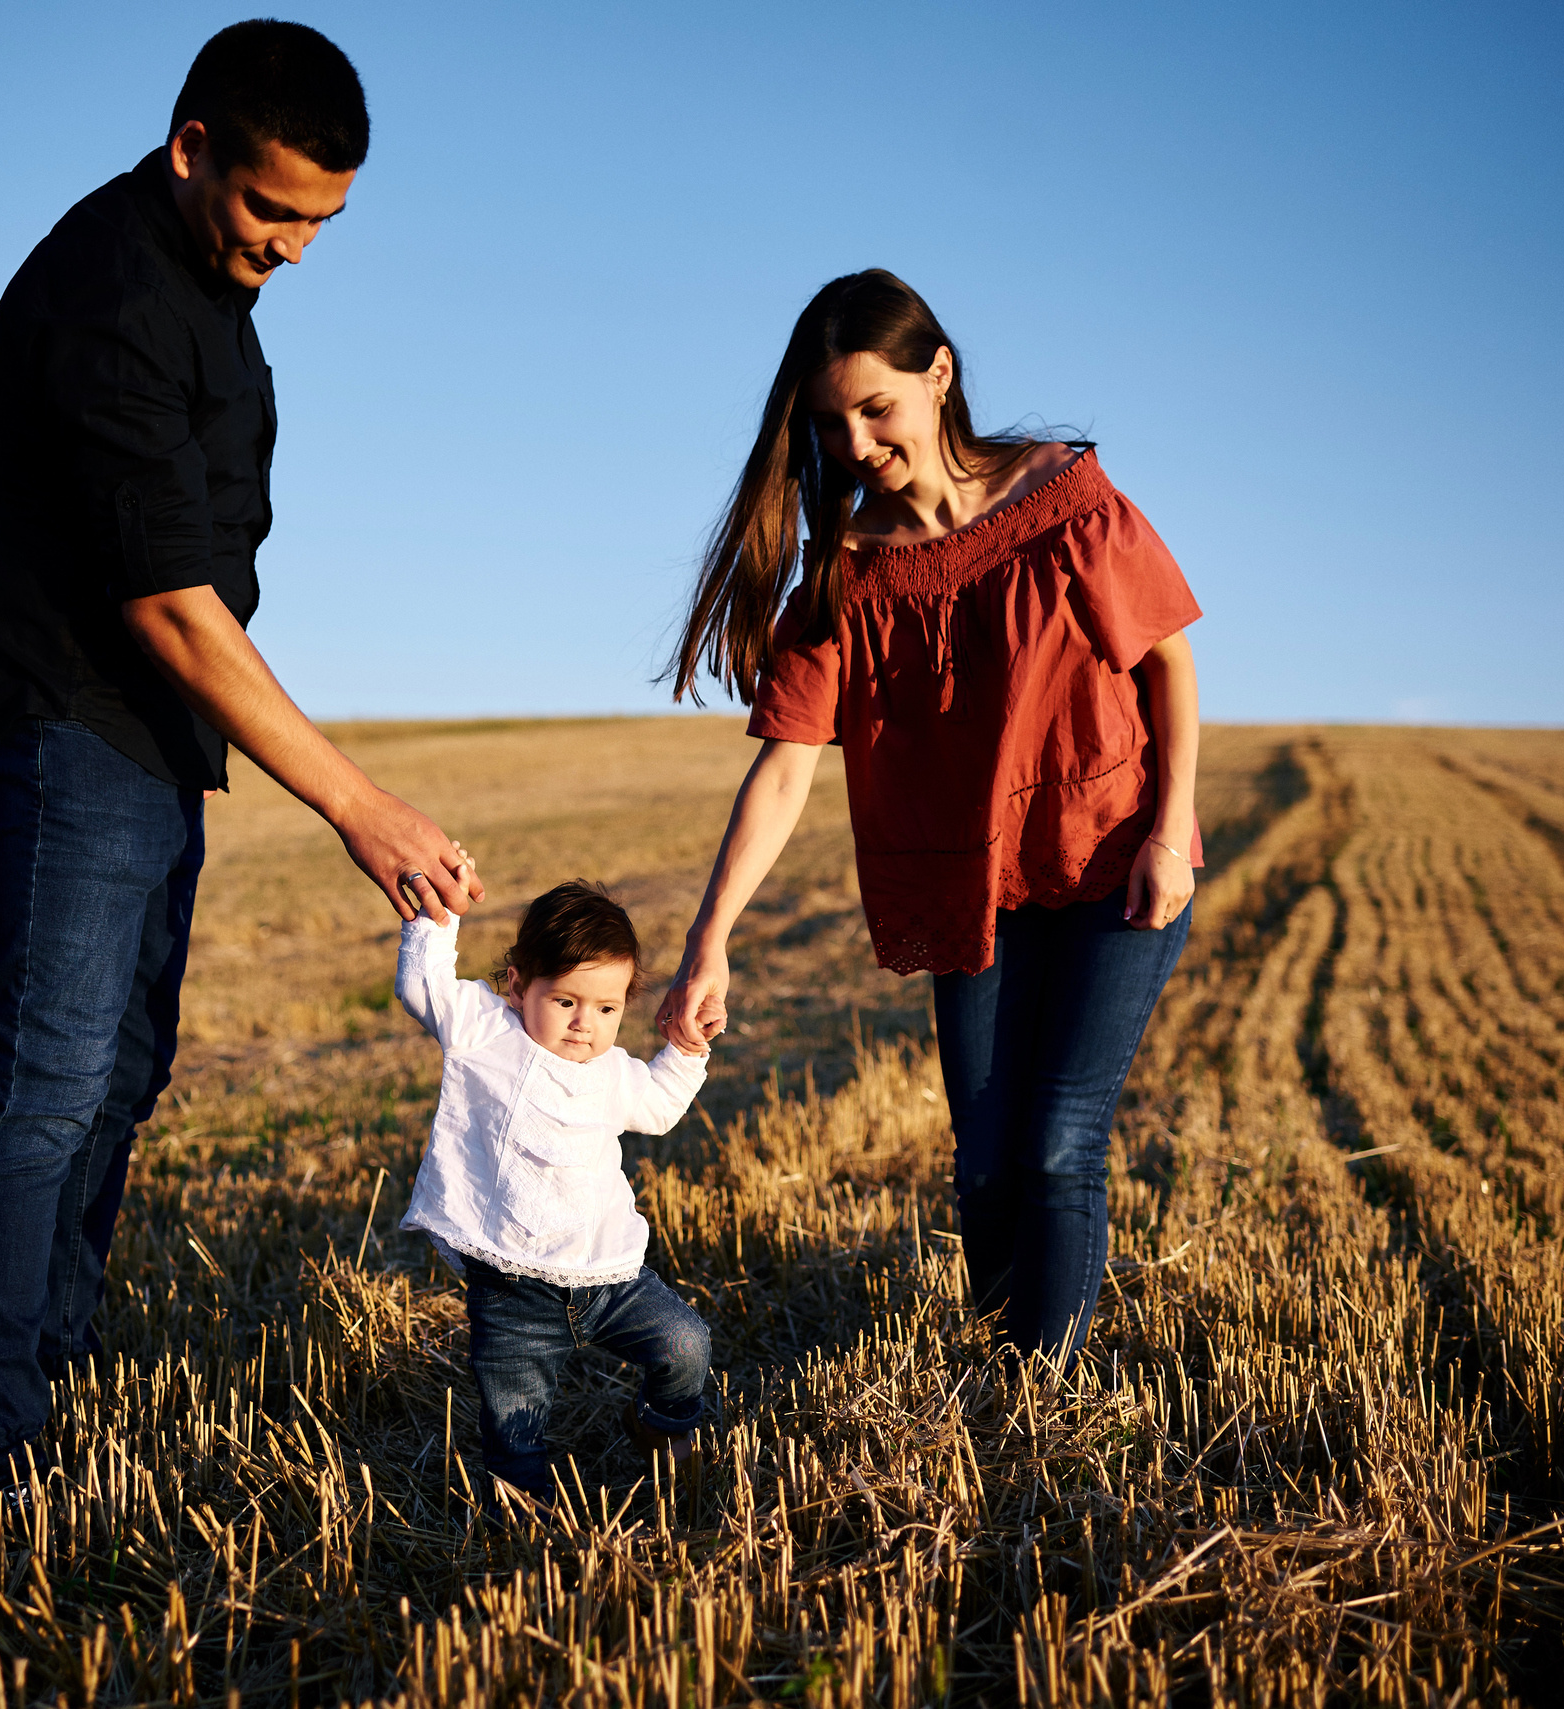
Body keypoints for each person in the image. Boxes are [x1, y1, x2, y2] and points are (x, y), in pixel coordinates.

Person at [0, 21, 483, 1489]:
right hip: (70, 722)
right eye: (275, 210)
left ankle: (49, 1356)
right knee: (47, 1084)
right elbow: (173, 606)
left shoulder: (207, 285)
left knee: (120, 1075)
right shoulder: (104, 296)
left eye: (326, 221)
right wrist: (357, 803)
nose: (300, 248)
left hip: (152, 745)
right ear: (192, 150)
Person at [655, 270, 1202, 1365]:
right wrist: (707, 941)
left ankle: (1039, 1406)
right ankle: (1004, 1374)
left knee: (1055, 1150)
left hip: (1112, 864)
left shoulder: (1065, 501)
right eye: (830, 422)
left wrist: (1173, 827)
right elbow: (781, 769)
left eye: (875, 407)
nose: (855, 442)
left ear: (937, 373)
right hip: (975, 891)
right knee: (987, 1162)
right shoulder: (846, 578)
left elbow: (1167, 659)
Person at [396, 880, 715, 1503]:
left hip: (611, 1278)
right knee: (513, 1424)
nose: (584, 1024)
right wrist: (438, 915)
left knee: (686, 1343)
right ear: (518, 986)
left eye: (606, 1009)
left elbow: (660, 1107)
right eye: (565, 1000)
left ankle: (661, 1425)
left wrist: (686, 1048)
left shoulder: (612, 1072)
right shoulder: (486, 1033)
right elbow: (422, 986)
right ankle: (522, 1517)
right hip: (513, 1291)